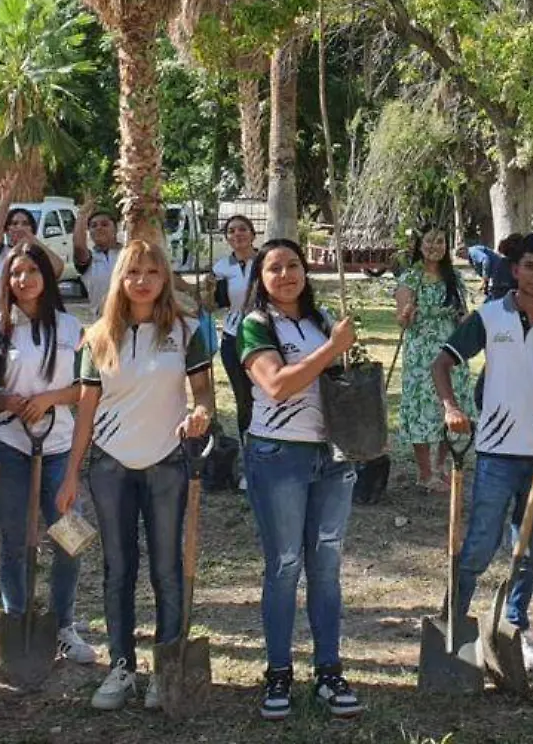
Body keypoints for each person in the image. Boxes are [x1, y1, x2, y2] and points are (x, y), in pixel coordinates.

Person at [57, 239, 216, 710]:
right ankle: (121, 668)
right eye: (132, 272)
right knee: (118, 569)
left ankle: (167, 669)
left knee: (168, 570)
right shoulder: (99, 336)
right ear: (120, 279)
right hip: (111, 466)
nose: (142, 280)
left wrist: (201, 414)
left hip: (168, 462)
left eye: (151, 271)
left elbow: (204, 393)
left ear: (164, 277)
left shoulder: (186, 331)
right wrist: (70, 477)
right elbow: (85, 413)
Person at [235, 239, 365, 720]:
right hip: (278, 457)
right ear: (260, 277)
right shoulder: (256, 325)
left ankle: (329, 671)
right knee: (286, 565)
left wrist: (346, 349)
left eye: (294, 266)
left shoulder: (322, 319)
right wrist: (332, 350)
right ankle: (278, 672)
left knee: (327, 566)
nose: (286, 274)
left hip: (332, 456)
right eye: (274, 268)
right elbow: (277, 384)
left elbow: (345, 376)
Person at [436, 233, 533, 672]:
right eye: (530, 267)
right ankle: (453, 622)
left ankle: (515, 627)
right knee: (479, 544)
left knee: (528, 550)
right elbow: (443, 362)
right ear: (514, 270)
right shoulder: (490, 317)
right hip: (496, 453)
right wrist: (451, 407)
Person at [0, 243, 95, 670]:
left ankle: (63, 624)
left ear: (47, 275)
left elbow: (86, 387)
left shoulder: (71, 327)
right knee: (15, 540)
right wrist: (5, 401)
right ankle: (18, 618)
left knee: (70, 538)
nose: (24, 279)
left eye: (31, 271)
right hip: (11, 448)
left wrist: (48, 399)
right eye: (15, 272)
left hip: (58, 447)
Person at [395, 225, 471, 490]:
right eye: (429, 241)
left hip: (450, 350)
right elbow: (401, 320)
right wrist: (406, 314)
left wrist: (468, 323)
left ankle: (441, 466)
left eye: (440, 241)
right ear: (420, 244)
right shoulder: (410, 278)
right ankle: (425, 472)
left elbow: (462, 313)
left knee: (449, 405)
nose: (434, 246)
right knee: (421, 408)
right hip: (421, 352)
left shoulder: (454, 278)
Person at [211, 214, 260, 451]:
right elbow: (214, 303)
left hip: (264, 336)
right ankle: (248, 454)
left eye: (242, 229)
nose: (237, 234)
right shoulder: (221, 268)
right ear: (226, 238)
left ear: (253, 234)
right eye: (231, 231)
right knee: (244, 399)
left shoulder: (266, 261)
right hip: (233, 337)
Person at [0, 186, 40, 315]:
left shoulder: (39, 255)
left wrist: (31, 239)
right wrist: (6, 200)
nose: (19, 227)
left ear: (33, 228)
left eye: (25, 223)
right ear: (6, 229)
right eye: (14, 223)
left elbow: (58, 268)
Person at [71, 197, 122, 318]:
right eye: (94, 226)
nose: (99, 228)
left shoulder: (128, 254)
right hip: (102, 321)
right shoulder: (90, 259)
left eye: (105, 224)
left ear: (115, 229)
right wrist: (82, 214)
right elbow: (78, 245)